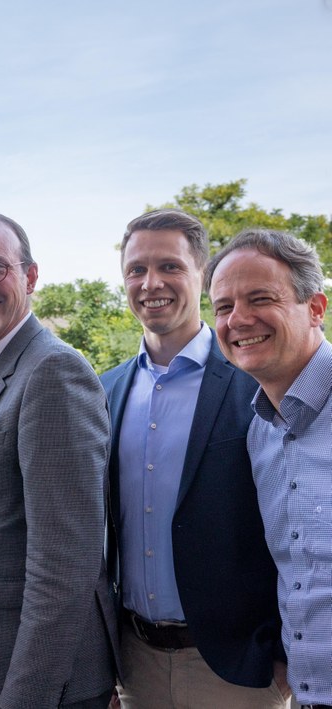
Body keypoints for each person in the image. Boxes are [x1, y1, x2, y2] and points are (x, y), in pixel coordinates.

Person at [100, 210, 286, 708]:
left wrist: (285, 654)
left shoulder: (256, 379)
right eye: (136, 270)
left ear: (201, 275)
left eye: (170, 266)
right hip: (135, 663)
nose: (150, 283)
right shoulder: (104, 389)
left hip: (237, 670)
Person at [0, 212, 117, 708]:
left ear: (30, 277)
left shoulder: (53, 371)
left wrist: (27, 696)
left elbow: (64, 564)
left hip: (41, 684)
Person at [206, 229, 332, 708]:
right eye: (223, 307)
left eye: (261, 298)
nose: (238, 320)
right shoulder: (261, 430)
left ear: (315, 308)